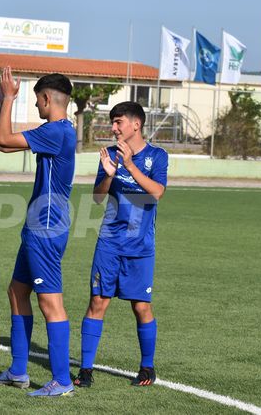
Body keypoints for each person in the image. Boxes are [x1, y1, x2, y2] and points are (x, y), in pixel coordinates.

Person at [0, 67, 77, 397]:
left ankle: (62, 381)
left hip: (47, 228)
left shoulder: (55, 132)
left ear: (46, 98)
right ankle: (18, 370)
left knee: (50, 302)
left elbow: (2, 139)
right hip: (38, 226)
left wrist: (7, 99)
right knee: (17, 291)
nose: (36, 105)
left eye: (37, 99)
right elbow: (6, 147)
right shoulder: (59, 131)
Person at [73, 101, 168, 389]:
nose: (113, 128)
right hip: (109, 243)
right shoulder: (110, 155)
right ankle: (85, 370)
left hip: (140, 247)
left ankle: (147, 367)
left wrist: (128, 166)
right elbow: (98, 197)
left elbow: (157, 193)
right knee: (97, 302)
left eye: (118, 122)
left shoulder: (157, 156)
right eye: (112, 122)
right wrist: (109, 174)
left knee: (141, 307)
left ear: (136, 124)